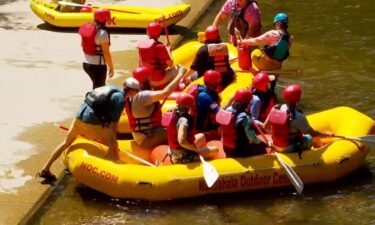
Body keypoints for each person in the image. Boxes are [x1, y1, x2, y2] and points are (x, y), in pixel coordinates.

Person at [36, 79, 139, 182]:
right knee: (110, 146)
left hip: (79, 117)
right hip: (91, 122)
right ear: (132, 92)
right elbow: (113, 128)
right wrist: (113, 144)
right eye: (137, 92)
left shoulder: (111, 88)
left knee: (66, 143)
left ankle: (45, 169)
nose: (137, 94)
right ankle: (112, 175)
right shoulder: (120, 100)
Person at [125, 66, 187, 148]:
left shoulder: (133, 93)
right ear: (145, 79)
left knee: (173, 117)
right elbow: (165, 93)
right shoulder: (142, 95)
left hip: (144, 135)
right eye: (150, 77)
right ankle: (182, 151)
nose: (152, 79)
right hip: (147, 138)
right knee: (180, 127)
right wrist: (180, 74)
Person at [264, 85, 327, 153]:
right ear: (298, 99)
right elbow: (312, 133)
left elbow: (265, 127)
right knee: (311, 138)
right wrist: (324, 134)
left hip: (276, 145)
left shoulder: (276, 108)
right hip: (289, 147)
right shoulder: (299, 116)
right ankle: (320, 152)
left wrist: (280, 132)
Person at [165, 93, 218, 164]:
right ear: (187, 106)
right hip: (183, 156)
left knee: (201, 136)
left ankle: (200, 155)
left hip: (174, 151)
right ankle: (198, 158)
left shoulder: (171, 113)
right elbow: (182, 141)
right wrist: (194, 149)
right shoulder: (184, 120)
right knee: (216, 150)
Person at [220, 89, 266, 157]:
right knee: (262, 148)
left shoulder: (227, 110)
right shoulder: (245, 118)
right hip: (237, 151)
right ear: (248, 102)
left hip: (226, 147)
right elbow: (252, 138)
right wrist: (264, 144)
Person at [79, 8, 114, 89]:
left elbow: (82, 45)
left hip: (86, 64)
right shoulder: (103, 33)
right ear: (105, 19)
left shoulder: (87, 27)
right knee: (99, 89)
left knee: (96, 87)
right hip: (98, 66)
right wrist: (111, 67)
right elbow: (106, 52)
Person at [137, 22, 178, 90]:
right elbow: (170, 64)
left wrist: (165, 48)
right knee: (179, 68)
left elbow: (140, 63)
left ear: (148, 32)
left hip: (147, 81)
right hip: (159, 80)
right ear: (159, 33)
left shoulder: (141, 45)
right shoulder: (160, 46)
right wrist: (168, 50)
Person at [193, 70, 222, 141]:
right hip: (205, 128)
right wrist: (231, 101)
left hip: (206, 124)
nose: (218, 84)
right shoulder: (205, 96)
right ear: (213, 83)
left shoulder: (206, 90)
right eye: (217, 82)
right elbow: (219, 111)